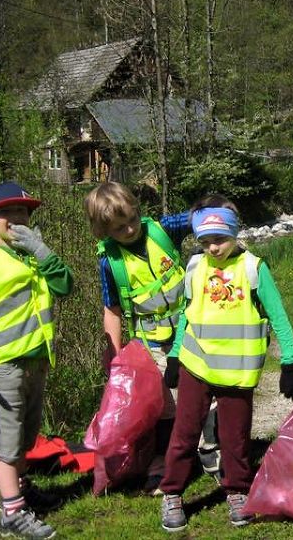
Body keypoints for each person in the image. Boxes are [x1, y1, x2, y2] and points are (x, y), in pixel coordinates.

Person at [159, 195, 293, 532]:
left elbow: (279, 317)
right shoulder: (195, 267)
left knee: (235, 438)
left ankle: (237, 490)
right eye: (206, 241)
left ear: (235, 234)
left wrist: (291, 361)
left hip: (238, 372)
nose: (213, 248)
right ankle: (172, 493)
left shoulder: (254, 269)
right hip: (196, 364)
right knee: (184, 434)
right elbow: (186, 314)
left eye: (220, 239)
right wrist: (174, 355)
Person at [0, 182, 74, 539]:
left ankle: (20, 491)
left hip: (37, 359)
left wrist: (43, 251)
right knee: (6, 443)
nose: (16, 218)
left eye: (23, 212)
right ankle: (11, 513)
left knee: (25, 435)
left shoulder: (31, 254)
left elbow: (66, 286)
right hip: (3, 366)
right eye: (6, 212)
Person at [84, 182, 190, 493]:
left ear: (138, 210)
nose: (130, 229)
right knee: (165, 406)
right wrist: (114, 352)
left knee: (200, 394)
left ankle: (208, 451)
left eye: (132, 219)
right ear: (104, 231)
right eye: (119, 228)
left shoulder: (162, 229)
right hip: (151, 343)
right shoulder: (110, 262)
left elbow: (200, 216)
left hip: (192, 330)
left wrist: (218, 211)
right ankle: (161, 465)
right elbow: (112, 309)